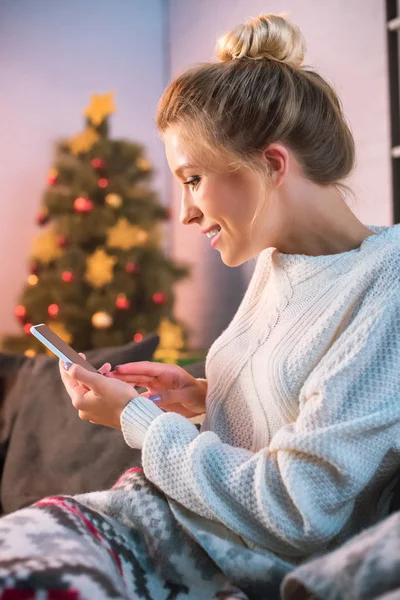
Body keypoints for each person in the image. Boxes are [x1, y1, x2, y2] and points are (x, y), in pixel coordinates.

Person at [0, 12, 399, 600]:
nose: (185, 213)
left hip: (197, 561)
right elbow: (303, 412)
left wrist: (140, 422)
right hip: (151, 521)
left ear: (271, 164)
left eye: (192, 179)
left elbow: (296, 509)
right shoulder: (277, 260)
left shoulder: (386, 285)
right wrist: (201, 396)